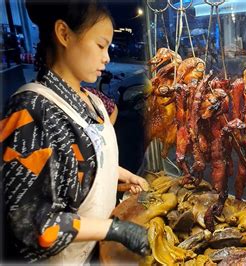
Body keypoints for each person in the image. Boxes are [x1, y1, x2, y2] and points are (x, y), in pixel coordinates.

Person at [1, 0, 150, 263]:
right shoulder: (30, 111)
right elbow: (28, 222)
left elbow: (75, 164)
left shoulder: (91, 100)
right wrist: (113, 229)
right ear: (64, 34)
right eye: (101, 45)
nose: (107, 57)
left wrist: (115, 173)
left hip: (94, 253)